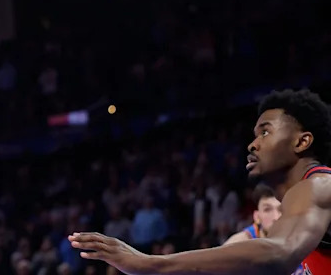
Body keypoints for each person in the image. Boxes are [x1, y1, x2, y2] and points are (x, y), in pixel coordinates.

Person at [69, 88, 331, 274]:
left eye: (266, 131)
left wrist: (150, 264)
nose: (253, 144)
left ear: (302, 141)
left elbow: (278, 255)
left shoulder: (318, 186)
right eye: (254, 134)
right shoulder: (303, 206)